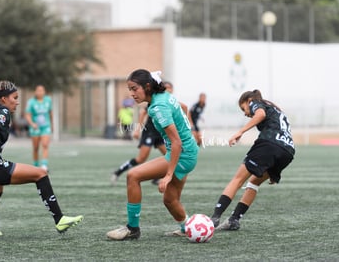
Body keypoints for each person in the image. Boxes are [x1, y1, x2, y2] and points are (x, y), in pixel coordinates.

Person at [0, 80, 83, 237]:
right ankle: (59, 219)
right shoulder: (3, 111)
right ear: (4, 99)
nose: (17, 102)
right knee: (40, 174)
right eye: (15, 97)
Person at [106, 69, 199, 240]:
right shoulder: (162, 97)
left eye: (135, 89)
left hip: (182, 154)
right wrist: (189, 129)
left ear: (147, 86)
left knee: (133, 176)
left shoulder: (158, 107)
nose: (132, 94)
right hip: (189, 151)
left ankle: (132, 228)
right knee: (170, 200)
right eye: (130, 89)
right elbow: (183, 107)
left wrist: (168, 175)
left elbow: (177, 142)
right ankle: (189, 228)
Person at [210, 89, 295, 230]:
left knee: (237, 180)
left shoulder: (256, 102)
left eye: (243, 108)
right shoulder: (275, 108)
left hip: (270, 144)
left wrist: (240, 132)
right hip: (287, 151)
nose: (245, 113)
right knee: (254, 183)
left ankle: (214, 218)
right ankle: (234, 220)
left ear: (248, 100)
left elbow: (260, 114)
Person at [110, 82, 173, 186]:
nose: (168, 90)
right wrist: (137, 129)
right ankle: (117, 172)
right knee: (141, 159)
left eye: (170, 88)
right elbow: (143, 112)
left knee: (170, 157)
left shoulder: (170, 101)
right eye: (166, 88)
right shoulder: (157, 100)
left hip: (160, 134)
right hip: (149, 132)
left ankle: (156, 178)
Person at [25, 85, 53, 171]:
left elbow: (50, 113)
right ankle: (36, 165)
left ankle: (44, 165)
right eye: (38, 90)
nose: (40, 92)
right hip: (35, 127)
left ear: (44, 92)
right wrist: (32, 124)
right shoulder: (31, 102)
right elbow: (28, 115)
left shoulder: (48, 100)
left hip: (46, 127)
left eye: (42, 90)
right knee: (36, 147)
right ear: (35, 92)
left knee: (45, 145)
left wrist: (52, 124)